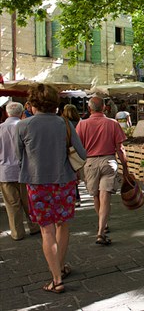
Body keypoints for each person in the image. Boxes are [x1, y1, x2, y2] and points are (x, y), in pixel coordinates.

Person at [16, 84, 86, 294]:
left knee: (46, 230)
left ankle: (56, 278)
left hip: (37, 184)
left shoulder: (23, 126)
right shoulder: (64, 123)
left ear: (33, 102)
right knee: (62, 225)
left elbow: (19, 158)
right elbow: (81, 153)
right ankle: (61, 268)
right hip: (64, 181)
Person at [75, 97, 129, 246]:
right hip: (108, 161)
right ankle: (100, 230)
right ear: (104, 107)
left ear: (89, 108)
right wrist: (125, 167)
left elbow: (77, 148)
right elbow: (120, 148)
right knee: (105, 197)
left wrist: (77, 168)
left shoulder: (82, 124)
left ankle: (102, 226)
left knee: (96, 196)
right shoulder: (112, 123)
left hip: (90, 163)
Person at [0, 102, 40, 240]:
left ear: (6, 113)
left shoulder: (0, 128)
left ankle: (17, 232)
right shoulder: (26, 127)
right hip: (24, 170)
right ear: (22, 112)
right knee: (28, 201)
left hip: (5, 171)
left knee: (12, 204)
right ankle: (34, 226)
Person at [62, 104, 83, 206]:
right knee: (75, 174)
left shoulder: (64, 123)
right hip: (77, 152)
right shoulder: (80, 122)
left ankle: (73, 197)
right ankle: (77, 197)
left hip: (68, 152)